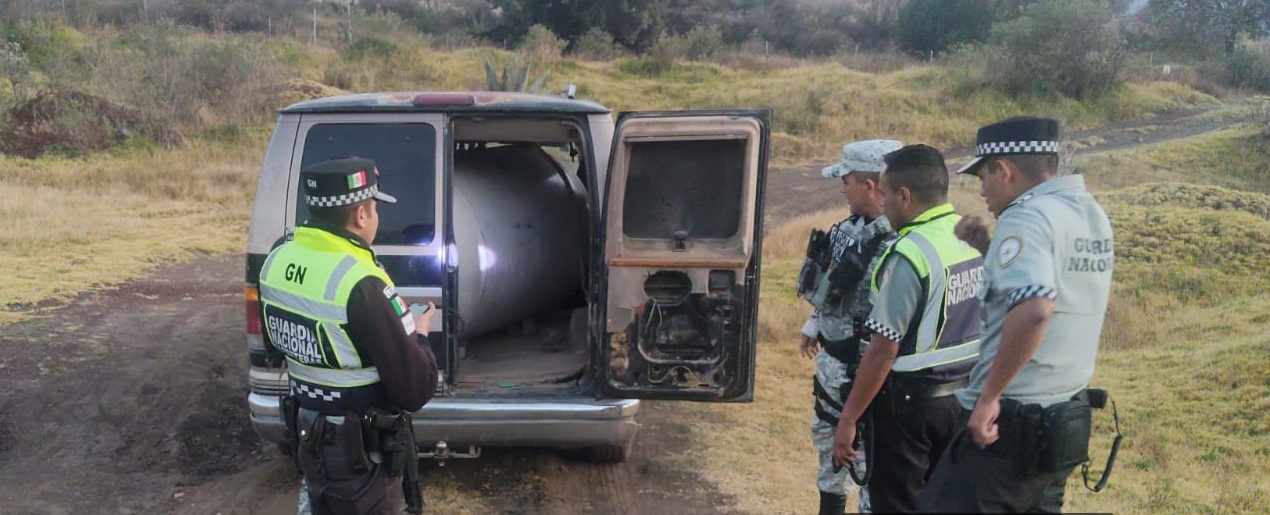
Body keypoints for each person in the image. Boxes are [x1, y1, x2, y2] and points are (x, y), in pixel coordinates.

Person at [918, 117, 1115, 512]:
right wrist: (988, 251)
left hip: (1004, 432)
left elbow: (1036, 310)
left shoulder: (1024, 217)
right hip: (1060, 428)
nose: (981, 189)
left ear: (1004, 170)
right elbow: (1051, 291)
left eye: (983, 176)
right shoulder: (1087, 213)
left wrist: (990, 397)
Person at [259, 157, 440, 515]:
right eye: (374, 209)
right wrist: (419, 336)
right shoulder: (359, 282)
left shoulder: (278, 258)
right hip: (360, 457)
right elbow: (415, 389)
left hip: (310, 436)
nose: (376, 217)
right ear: (360, 214)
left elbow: (276, 346)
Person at [832, 144, 984, 513]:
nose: (879, 202)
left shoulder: (909, 253)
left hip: (911, 409)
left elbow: (883, 349)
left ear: (905, 195)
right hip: (964, 397)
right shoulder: (965, 238)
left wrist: (848, 418)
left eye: (884, 193)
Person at [798, 139, 903, 515]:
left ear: (870, 185)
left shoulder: (896, 245)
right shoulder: (849, 228)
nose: (841, 188)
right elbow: (831, 286)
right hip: (832, 371)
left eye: (846, 181)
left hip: (865, 378)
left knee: (866, 465)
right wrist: (815, 322)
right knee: (829, 455)